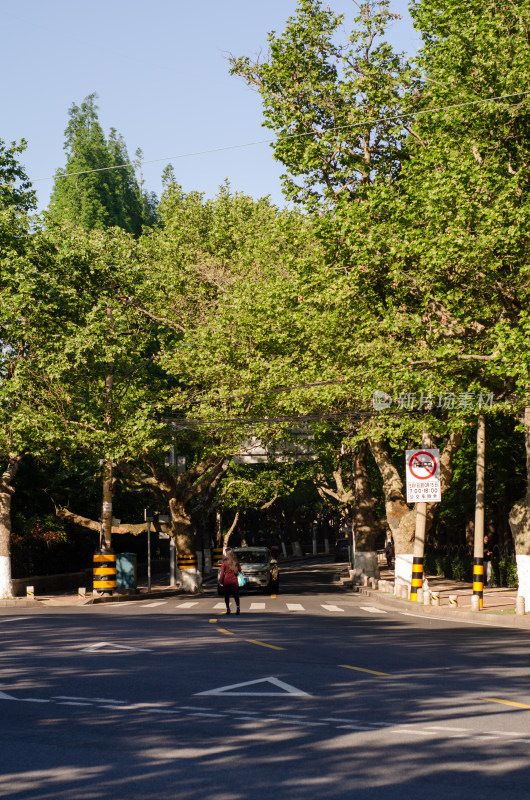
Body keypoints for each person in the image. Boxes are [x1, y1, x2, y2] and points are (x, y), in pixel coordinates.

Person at [219, 547, 241, 615]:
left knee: (227, 596)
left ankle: (228, 609)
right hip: (234, 580)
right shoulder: (236, 561)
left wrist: (221, 582)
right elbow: (240, 570)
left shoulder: (224, 562)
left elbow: (222, 573)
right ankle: (238, 608)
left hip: (227, 581)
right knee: (236, 595)